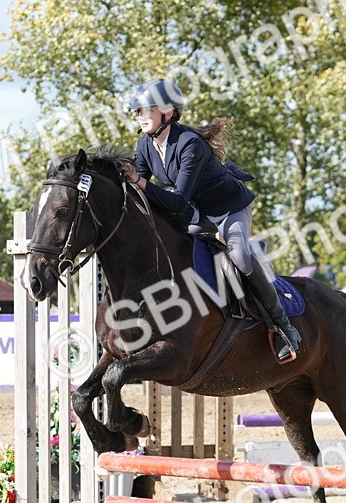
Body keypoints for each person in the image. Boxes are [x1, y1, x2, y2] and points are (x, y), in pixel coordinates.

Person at [119, 78, 300, 362]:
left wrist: (139, 181)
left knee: (239, 255)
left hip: (228, 210)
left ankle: (282, 327)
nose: (141, 117)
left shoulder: (190, 144)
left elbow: (175, 199)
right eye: (139, 111)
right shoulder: (145, 144)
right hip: (197, 214)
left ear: (167, 112)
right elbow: (141, 191)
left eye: (147, 110)